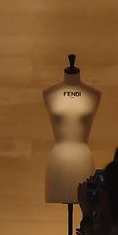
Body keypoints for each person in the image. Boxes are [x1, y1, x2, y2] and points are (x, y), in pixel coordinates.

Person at [43, 55, 100, 204]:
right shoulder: (50, 93)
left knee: (85, 201)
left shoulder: (93, 94)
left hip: (83, 160)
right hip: (59, 161)